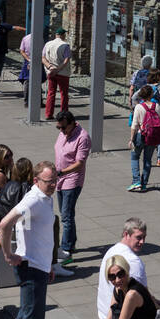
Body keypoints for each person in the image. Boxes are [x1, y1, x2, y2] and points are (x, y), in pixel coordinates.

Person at [0, 162, 58, 319]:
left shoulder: (43, 197)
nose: (53, 185)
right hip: (31, 267)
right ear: (36, 180)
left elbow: (36, 231)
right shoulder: (34, 199)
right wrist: (7, 253)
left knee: (25, 316)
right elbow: (5, 224)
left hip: (39, 265)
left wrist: (49, 264)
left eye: (55, 180)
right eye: (49, 181)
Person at [96, 217, 150, 319]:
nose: (142, 242)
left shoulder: (111, 251)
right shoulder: (134, 261)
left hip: (103, 313)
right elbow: (144, 296)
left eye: (144, 237)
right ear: (126, 234)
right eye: (138, 237)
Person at [54, 110, 90, 263]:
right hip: (60, 179)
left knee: (66, 215)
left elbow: (79, 163)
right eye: (59, 128)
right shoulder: (63, 132)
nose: (61, 131)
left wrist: (61, 172)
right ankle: (72, 242)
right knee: (67, 214)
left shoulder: (83, 137)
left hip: (72, 179)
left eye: (63, 128)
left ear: (72, 124)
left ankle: (66, 250)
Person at [128, 85, 160, 192]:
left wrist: (131, 139)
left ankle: (136, 181)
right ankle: (144, 184)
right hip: (152, 136)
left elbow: (134, 125)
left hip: (140, 135)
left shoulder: (139, 107)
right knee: (147, 160)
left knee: (134, 157)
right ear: (151, 94)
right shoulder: (157, 106)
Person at [0, 156, 35, 228]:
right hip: (14, 227)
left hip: (1, 221)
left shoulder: (9, 184)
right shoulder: (27, 188)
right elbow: (24, 213)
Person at [42, 27, 72, 119]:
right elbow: (66, 60)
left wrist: (50, 67)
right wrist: (58, 69)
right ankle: (64, 115)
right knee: (64, 94)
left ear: (56, 35)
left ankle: (48, 114)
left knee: (51, 93)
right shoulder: (65, 45)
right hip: (63, 73)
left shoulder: (48, 44)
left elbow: (43, 58)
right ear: (63, 35)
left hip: (51, 72)